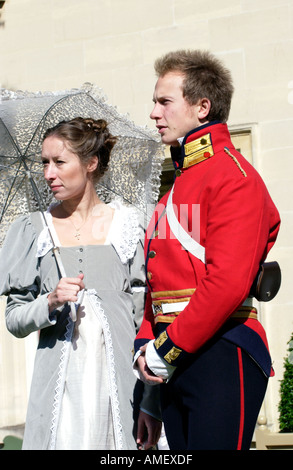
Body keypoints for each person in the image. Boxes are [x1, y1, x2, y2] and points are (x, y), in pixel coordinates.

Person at [133, 50, 281, 450]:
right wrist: (147, 358)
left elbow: (228, 283)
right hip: (172, 359)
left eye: (164, 101)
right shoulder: (181, 183)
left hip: (220, 352)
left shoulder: (235, 178)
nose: (154, 113)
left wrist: (166, 348)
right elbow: (158, 287)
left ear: (202, 107)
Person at [0, 117, 161, 450]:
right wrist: (49, 301)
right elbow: (14, 320)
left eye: (59, 162)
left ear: (90, 163)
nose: (49, 174)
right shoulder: (34, 230)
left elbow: (147, 317)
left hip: (120, 387)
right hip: (60, 396)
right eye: (45, 163)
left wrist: (151, 400)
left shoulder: (129, 226)